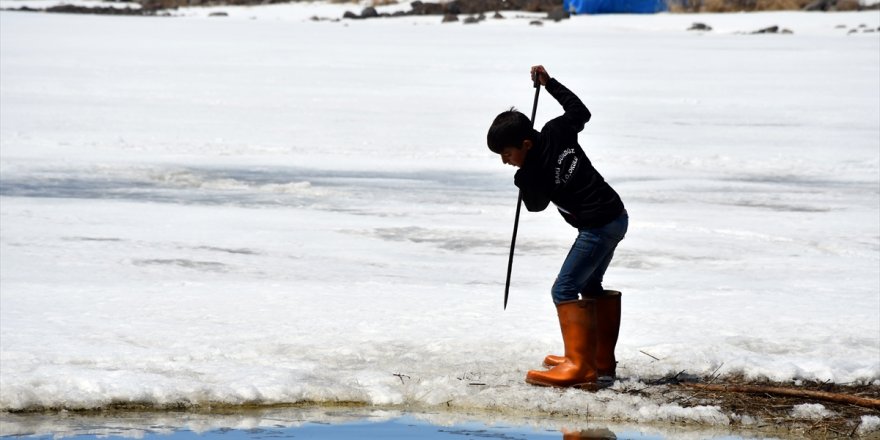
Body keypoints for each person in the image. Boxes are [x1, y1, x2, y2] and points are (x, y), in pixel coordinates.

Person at [487, 66, 628, 389]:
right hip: (616, 216)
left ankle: (579, 366)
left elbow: (535, 205)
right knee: (590, 285)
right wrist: (550, 84)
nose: (505, 161)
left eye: (507, 154)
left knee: (563, 289)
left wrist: (523, 182)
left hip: (598, 227)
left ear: (525, 144)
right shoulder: (556, 130)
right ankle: (598, 360)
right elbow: (580, 112)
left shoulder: (531, 171)